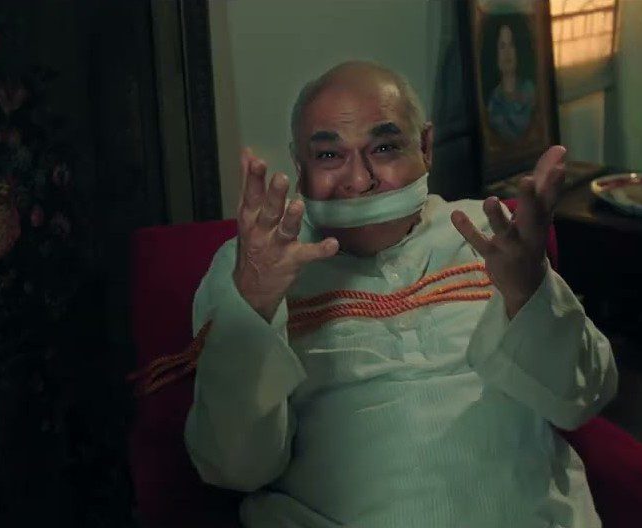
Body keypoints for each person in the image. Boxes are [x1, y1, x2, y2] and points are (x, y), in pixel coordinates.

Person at [185, 61, 616, 528]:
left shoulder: (491, 234)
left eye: (385, 148)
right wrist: (254, 306)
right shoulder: (255, 263)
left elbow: (582, 398)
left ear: (426, 147)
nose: (359, 181)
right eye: (329, 155)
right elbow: (234, 468)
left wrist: (528, 290)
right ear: (299, 165)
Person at [487, 24, 536, 141]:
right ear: (496, 54)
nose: (507, 52)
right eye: (502, 46)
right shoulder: (493, 103)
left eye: (511, 45)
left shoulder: (530, 90)